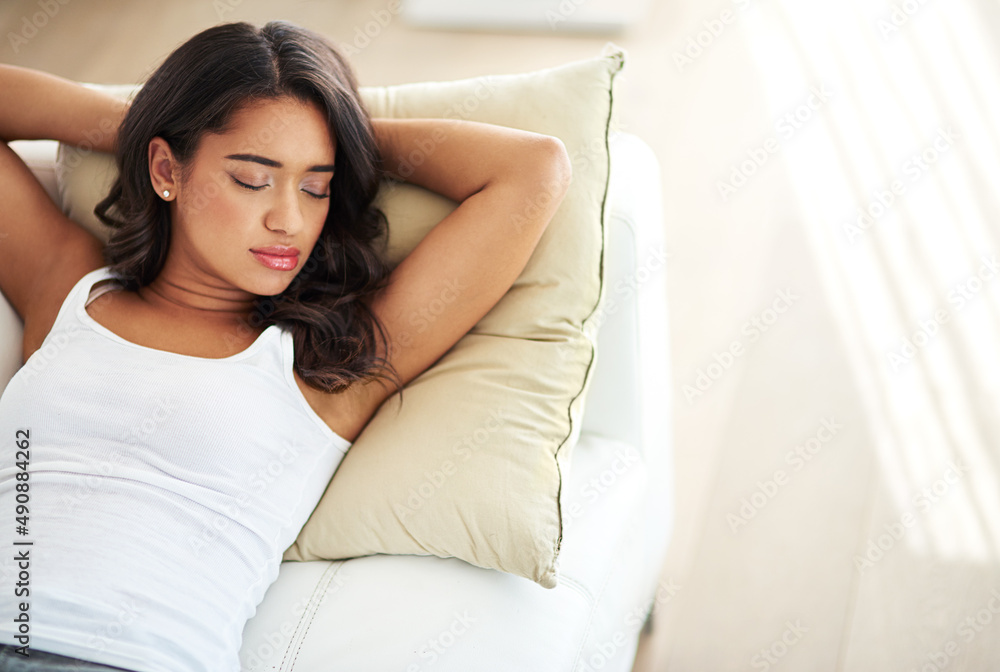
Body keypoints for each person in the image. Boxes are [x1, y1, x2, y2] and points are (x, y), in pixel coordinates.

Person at [0, 19, 570, 672]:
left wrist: (343, 134)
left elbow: (531, 171)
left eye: (316, 186)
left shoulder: (327, 368)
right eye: (251, 177)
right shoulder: (66, 287)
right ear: (167, 167)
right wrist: (142, 125)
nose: (288, 219)